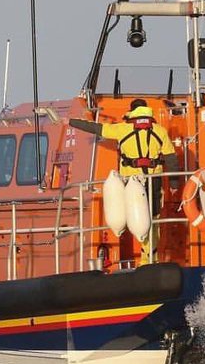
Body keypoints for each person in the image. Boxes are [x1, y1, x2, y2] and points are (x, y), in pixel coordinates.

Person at [69, 99, 180, 262]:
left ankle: (141, 258)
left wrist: (71, 122)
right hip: (153, 181)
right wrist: (174, 184)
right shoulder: (160, 131)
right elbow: (171, 158)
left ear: (132, 112)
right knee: (153, 220)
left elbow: (97, 128)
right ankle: (150, 258)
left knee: (136, 218)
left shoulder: (122, 129)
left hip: (131, 183)